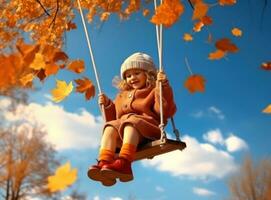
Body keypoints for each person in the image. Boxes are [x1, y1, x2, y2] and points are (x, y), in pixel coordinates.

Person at [87, 52, 176, 186]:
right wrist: (107, 105)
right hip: (126, 132)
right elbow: (114, 118)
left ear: (148, 74)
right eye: (128, 76)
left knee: (131, 122)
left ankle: (124, 163)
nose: (132, 78)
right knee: (110, 126)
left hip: (147, 129)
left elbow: (163, 110)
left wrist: (162, 88)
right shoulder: (122, 96)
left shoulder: (153, 90)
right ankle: (105, 163)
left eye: (136, 73)